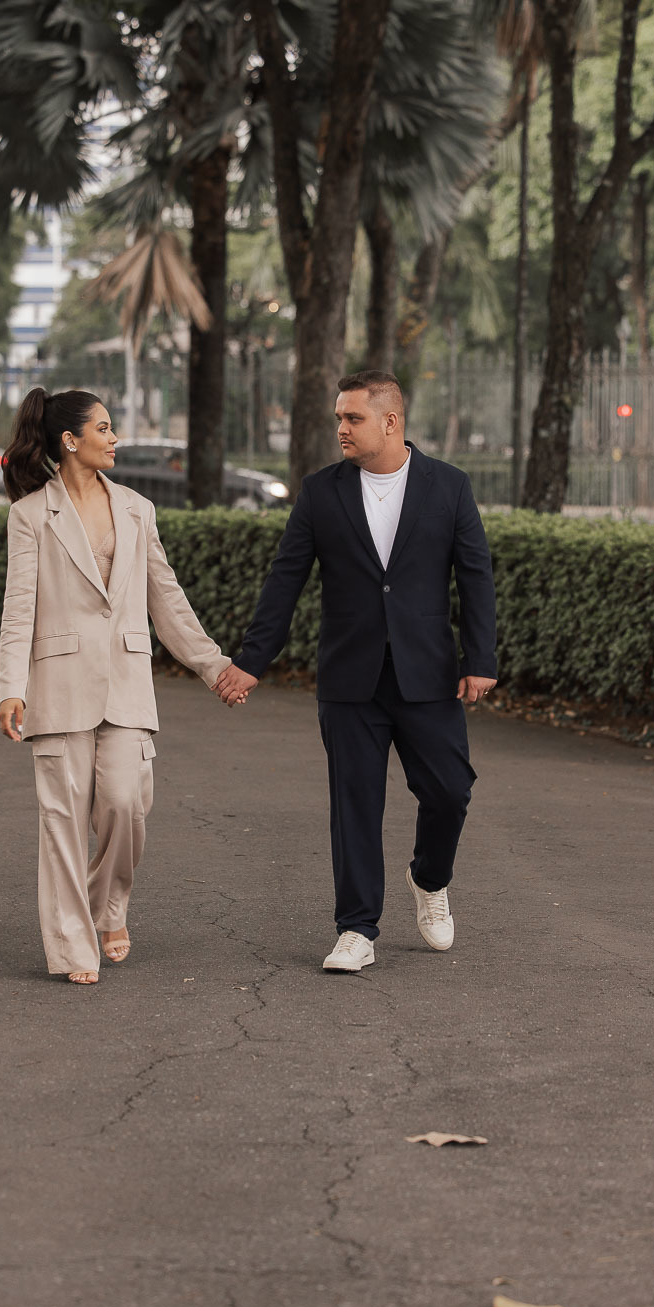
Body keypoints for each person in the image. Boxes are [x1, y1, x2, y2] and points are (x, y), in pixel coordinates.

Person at [214, 370, 497, 972]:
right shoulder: (321, 493)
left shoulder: (449, 486)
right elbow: (285, 580)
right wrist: (251, 660)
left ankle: (430, 878)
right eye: (339, 418)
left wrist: (481, 659)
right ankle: (356, 929)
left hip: (428, 675)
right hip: (350, 678)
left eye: (352, 418)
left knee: (450, 791)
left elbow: (475, 576)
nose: (340, 428)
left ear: (390, 421)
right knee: (355, 804)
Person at [0, 388, 237, 985]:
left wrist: (213, 666)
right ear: (70, 441)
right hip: (56, 684)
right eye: (104, 428)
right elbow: (18, 605)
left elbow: (166, 598)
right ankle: (74, 948)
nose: (114, 437)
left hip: (127, 683)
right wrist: (10, 685)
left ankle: (108, 908)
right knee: (62, 822)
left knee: (126, 804)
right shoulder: (30, 515)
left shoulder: (137, 508)